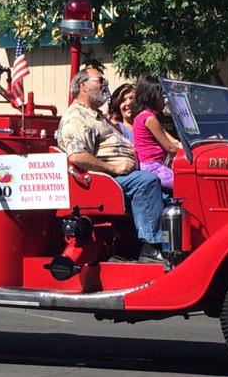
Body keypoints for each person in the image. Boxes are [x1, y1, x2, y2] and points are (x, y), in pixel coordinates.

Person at [56, 67, 165, 263]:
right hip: (103, 181)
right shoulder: (76, 118)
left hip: (122, 174)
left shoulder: (97, 116)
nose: (105, 85)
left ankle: (170, 241)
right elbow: (78, 156)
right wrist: (114, 168)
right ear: (83, 86)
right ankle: (151, 247)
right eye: (100, 81)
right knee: (147, 181)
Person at [132, 76, 183, 191]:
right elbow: (170, 147)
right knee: (186, 184)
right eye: (162, 95)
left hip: (157, 165)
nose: (165, 99)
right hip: (153, 167)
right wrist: (189, 155)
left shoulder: (148, 116)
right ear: (153, 97)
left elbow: (173, 141)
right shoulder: (149, 119)